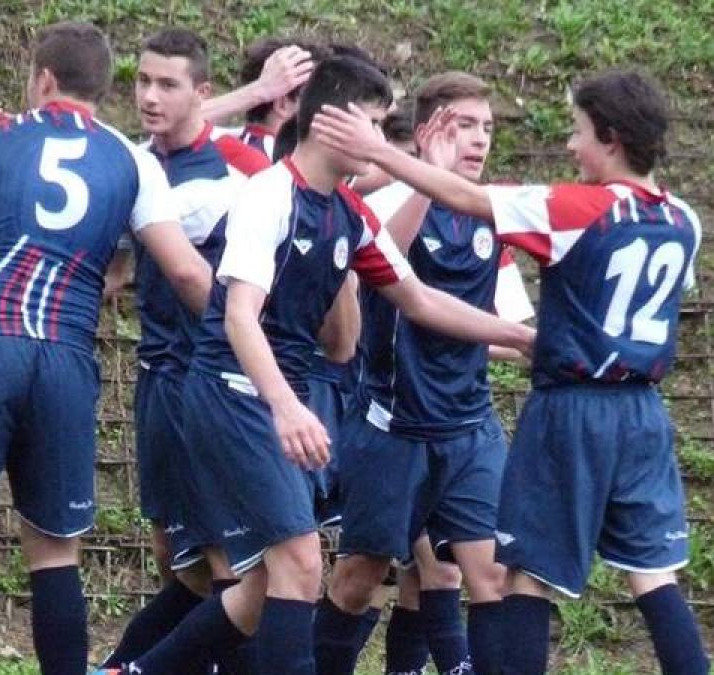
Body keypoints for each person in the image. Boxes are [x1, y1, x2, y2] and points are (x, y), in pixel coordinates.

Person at [119, 55, 534, 675]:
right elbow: (238, 317)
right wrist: (287, 407)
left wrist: (526, 340)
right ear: (329, 123)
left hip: (271, 394)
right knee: (302, 563)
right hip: (231, 391)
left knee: (263, 587)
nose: (378, 139)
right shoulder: (269, 193)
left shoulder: (349, 212)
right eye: (372, 122)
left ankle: (137, 670)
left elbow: (417, 300)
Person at [312, 68, 710, 675]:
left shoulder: (568, 207)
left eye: (578, 132)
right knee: (654, 575)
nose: (570, 147)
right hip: (637, 411)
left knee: (518, 579)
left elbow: (474, 202)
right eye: (467, 124)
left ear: (609, 137)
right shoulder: (683, 219)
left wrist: (375, 151)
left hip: (568, 409)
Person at [0, 22, 211, 675]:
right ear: (107, 86)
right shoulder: (133, 160)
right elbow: (182, 272)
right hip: (66, 356)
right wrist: (245, 334)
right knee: (54, 546)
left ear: (42, 80)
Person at [315, 71, 534, 675]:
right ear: (430, 130)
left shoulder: (492, 215)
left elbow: (510, 324)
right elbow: (377, 273)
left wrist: (528, 342)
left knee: (488, 574)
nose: (480, 139)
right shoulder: (390, 198)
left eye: (487, 127)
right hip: (395, 427)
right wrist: (425, 185)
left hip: (469, 426)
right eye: (465, 125)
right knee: (361, 578)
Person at [95, 27, 270, 673]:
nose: (148, 95)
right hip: (155, 380)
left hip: (213, 382)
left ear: (203, 93)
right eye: (142, 81)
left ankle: (124, 666)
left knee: (227, 558)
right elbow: (110, 268)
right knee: (181, 558)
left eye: (167, 84)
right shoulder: (126, 166)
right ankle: (124, 664)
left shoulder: (241, 170)